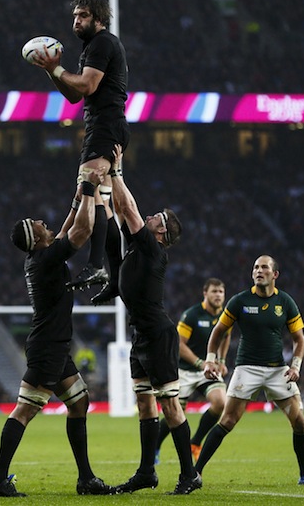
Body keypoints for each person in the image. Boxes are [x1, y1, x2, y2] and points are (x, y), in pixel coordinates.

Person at [0, 169, 115, 498]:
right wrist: (89, 187)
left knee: (80, 401)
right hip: (47, 347)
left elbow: (68, 226)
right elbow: (83, 230)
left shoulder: (40, 256)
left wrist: (77, 198)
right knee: (25, 409)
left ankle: (86, 478)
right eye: (38, 224)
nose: (44, 222)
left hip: (54, 345)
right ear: (35, 238)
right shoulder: (45, 259)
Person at [109, 144, 202, 495]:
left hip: (159, 335)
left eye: (156, 219)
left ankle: (189, 475)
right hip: (141, 335)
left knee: (170, 405)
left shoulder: (152, 248)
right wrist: (109, 181)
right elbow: (122, 207)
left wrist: (117, 169)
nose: (149, 217)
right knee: (145, 403)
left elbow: (129, 207)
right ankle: (147, 472)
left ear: (161, 233)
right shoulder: (140, 245)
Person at [31, 0, 129, 301]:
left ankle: (97, 265)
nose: (76, 21)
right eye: (74, 16)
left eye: (83, 15)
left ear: (98, 19)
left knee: (90, 185)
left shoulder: (102, 43)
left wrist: (58, 70)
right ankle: (114, 276)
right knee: (100, 202)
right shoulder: (91, 47)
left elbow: (87, 86)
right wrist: (52, 71)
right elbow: (75, 96)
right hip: (99, 126)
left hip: (106, 125)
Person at [196, 255, 304, 486]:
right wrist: (210, 359)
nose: (258, 271)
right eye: (255, 267)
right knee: (228, 421)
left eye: (264, 267)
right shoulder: (239, 301)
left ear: (275, 274)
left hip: (278, 371)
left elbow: (299, 339)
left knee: (300, 423)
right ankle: (195, 473)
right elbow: (218, 331)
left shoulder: (285, 302)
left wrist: (295, 366)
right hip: (247, 368)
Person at [155, 278, 230, 464]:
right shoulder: (192, 315)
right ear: (205, 293)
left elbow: (226, 336)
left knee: (221, 402)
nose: (218, 295)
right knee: (174, 413)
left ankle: (195, 443)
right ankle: (155, 447)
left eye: (221, 292)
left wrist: (221, 360)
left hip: (208, 369)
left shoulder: (225, 316)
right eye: (214, 291)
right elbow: (179, 344)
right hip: (185, 370)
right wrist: (200, 363)